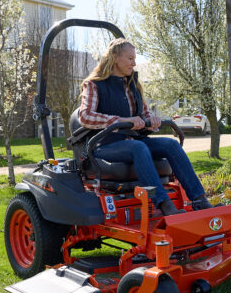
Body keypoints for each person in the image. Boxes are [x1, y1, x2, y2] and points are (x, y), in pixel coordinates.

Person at [78, 38, 213, 216]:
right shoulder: (94, 84)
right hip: (104, 145)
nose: (134, 63)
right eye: (130, 58)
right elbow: (85, 116)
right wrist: (122, 120)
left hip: (133, 140)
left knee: (170, 145)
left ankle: (199, 200)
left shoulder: (133, 85)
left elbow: (143, 114)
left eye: (135, 59)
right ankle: (164, 205)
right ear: (115, 57)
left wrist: (152, 120)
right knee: (138, 147)